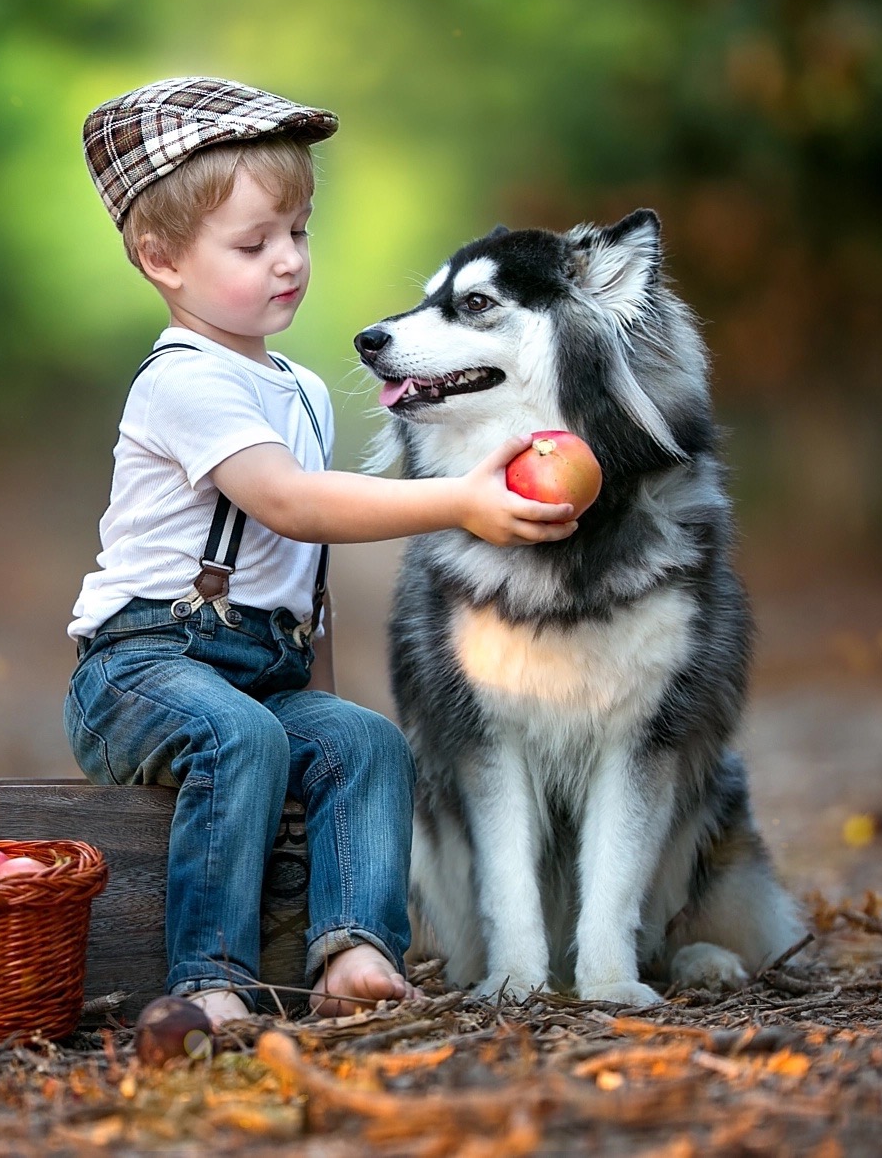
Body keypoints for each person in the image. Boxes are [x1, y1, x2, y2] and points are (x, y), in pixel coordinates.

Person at [66, 77, 578, 1028]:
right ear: (162, 259)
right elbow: (292, 505)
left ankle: (352, 950)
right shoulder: (183, 380)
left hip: (262, 670)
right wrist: (460, 500)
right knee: (242, 736)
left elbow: (305, 577)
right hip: (140, 669)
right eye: (253, 244)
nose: (288, 262)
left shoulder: (299, 386)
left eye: (298, 232)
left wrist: (322, 695)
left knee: (364, 740)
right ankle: (209, 979)